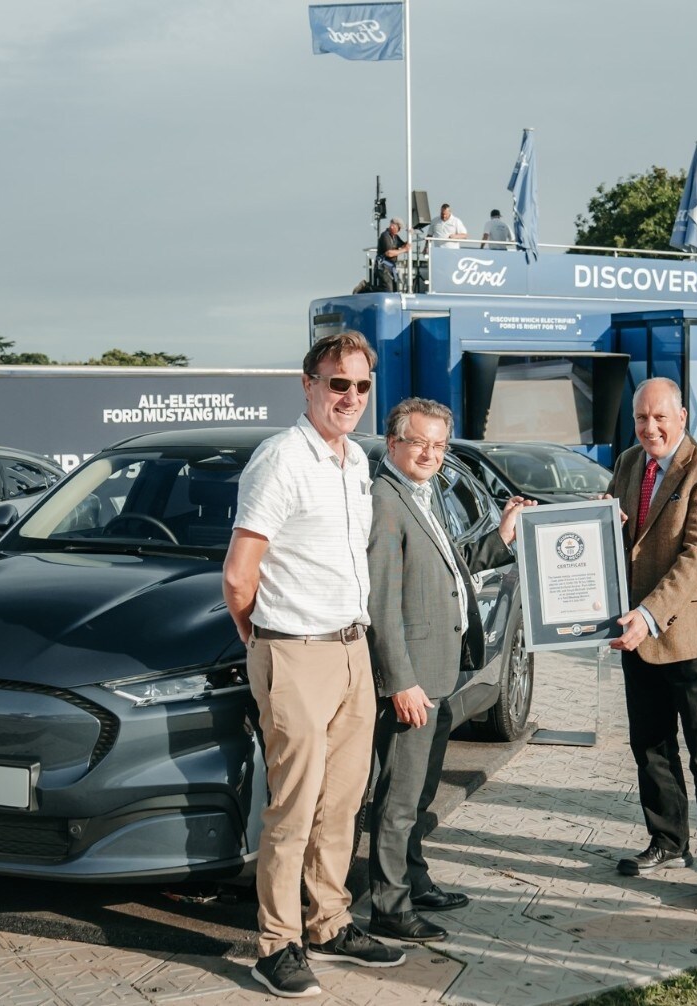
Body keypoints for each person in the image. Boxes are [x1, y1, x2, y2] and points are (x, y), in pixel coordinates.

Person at [223, 330, 405, 998]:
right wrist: (265, 640)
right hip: (296, 651)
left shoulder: (355, 461)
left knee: (342, 803)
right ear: (308, 385)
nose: (350, 396)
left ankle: (329, 922)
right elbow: (238, 575)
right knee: (293, 808)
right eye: (338, 383)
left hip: (352, 650)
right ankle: (277, 944)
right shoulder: (280, 460)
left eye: (362, 385)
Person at [366, 398, 533, 944]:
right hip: (413, 681)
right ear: (393, 444)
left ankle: (413, 881)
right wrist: (400, 682)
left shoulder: (425, 493)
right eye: (419, 443)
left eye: (438, 445)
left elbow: (450, 569)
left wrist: (504, 534)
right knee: (398, 799)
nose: (430, 454)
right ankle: (389, 907)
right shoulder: (385, 502)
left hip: (440, 674)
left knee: (419, 793)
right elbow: (381, 605)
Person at [610, 377, 697, 910]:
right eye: (641, 418)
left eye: (660, 417)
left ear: (682, 416)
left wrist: (648, 615)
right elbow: (617, 536)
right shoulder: (628, 463)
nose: (650, 428)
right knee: (650, 745)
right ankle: (667, 841)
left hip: (690, 635)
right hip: (635, 637)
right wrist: (603, 522)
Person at [376, 218, 410, 292]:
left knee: (394, 289)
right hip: (383, 267)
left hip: (391, 267)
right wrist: (404, 250)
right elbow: (389, 253)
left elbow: (404, 246)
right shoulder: (385, 236)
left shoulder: (395, 237)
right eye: (399, 228)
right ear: (392, 226)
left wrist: (410, 235)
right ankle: (365, 288)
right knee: (388, 289)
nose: (399, 230)